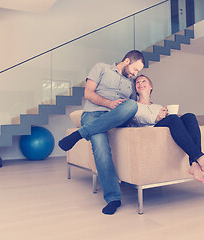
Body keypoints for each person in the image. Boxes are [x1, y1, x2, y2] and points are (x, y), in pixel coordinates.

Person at [58, 50, 145, 215]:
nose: (136, 73)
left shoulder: (130, 83)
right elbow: (88, 93)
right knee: (100, 146)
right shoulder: (101, 68)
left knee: (132, 106)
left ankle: (79, 134)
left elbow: (133, 106)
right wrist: (109, 103)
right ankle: (113, 198)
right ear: (127, 60)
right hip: (93, 114)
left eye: (138, 72)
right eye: (135, 69)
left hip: (116, 119)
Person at [130, 75, 204, 183]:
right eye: (137, 82)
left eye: (144, 81)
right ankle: (202, 159)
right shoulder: (133, 105)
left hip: (163, 131)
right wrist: (157, 118)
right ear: (135, 88)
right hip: (149, 132)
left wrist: (165, 116)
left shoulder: (158, 107)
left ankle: (194, 163)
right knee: (172, 118)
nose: (140, 84)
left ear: (151, 86)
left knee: (190, 116)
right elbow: (136, 120)